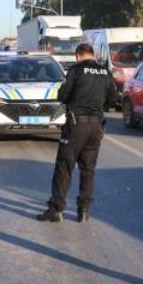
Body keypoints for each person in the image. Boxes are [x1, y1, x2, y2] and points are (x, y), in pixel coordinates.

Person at [37, 43, 118, 223]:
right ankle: (84, 211)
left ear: (78, 55)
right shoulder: (105, 72)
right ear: (92, 54)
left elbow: (62, 96)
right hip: (96, 126)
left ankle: (55, 210)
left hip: (76, 126)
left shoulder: (76, 70)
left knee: (64, 167)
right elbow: (113, 99)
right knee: (88, 170)